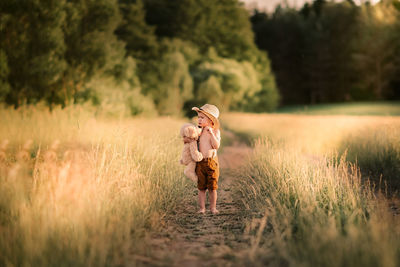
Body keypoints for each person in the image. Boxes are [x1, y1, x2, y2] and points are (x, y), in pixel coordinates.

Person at [191, 104, 221, 214]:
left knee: (212, 187)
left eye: (202, 117)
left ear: (211, 120)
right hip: (200, 162)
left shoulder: (215, 132)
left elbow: (216, 146)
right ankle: (202, 208)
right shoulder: (199, 132)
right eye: (198, 117)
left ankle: (213, 208)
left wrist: (211, 134)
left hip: (211, 162)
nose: (199, 119)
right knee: (201, 187)